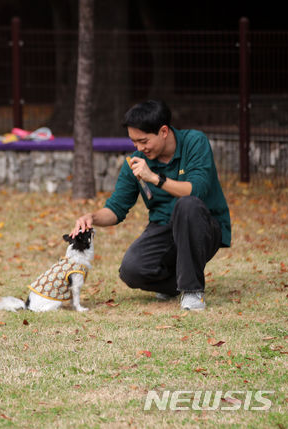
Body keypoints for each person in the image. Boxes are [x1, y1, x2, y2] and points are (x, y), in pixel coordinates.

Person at [70, 100, 231, 311]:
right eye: (134, 141)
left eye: (143, 141)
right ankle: (177, 284)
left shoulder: (194, 142)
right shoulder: (135, 161)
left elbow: (196, 191)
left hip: (203, 226)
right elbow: (116, 209)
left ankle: (192, 290)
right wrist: (91, 217)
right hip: (163, 226)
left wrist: (155, 178)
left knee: (187, 205)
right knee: (131, 270)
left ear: (163, 131)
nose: (138, 148)